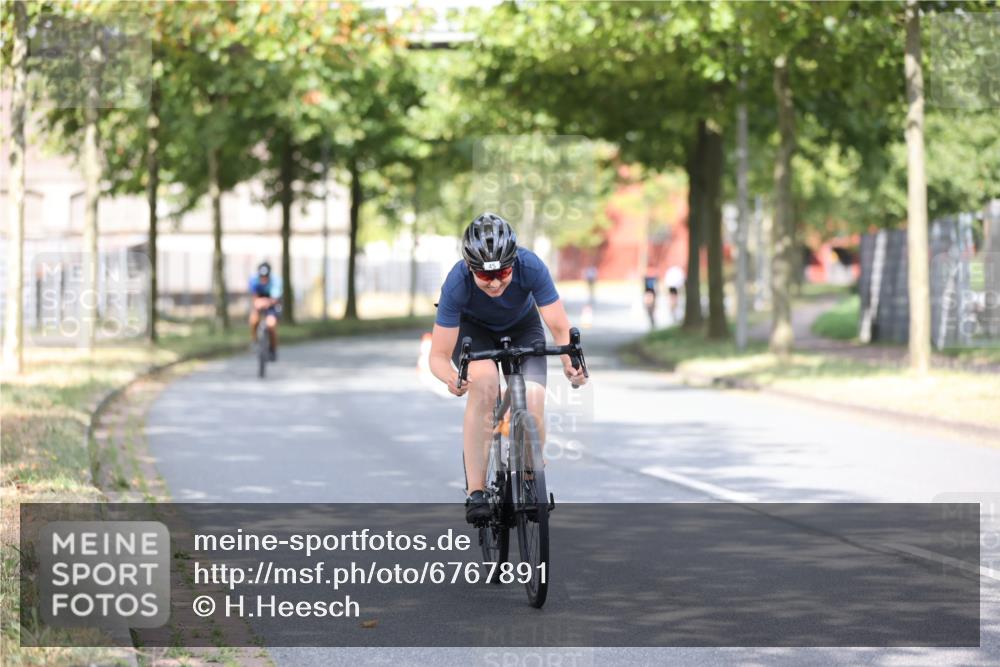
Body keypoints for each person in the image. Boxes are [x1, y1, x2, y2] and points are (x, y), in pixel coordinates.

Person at [427, 213, 587, 524]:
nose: (497, 282)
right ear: (471, 269)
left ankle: (530, 475)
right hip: (474, 333)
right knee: (485, 384)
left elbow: (558, 326)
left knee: (533, 398)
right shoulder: (456, 283)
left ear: (514, 263)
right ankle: (476, 492)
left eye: (503, 272)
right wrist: (452, 378)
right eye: (486, 277)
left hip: (524, 328)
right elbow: (438, 355)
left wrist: (571, 363)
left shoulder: (531, 266)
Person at [248, 261, 282, 361]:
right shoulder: (254, 280)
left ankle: (273, 349)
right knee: (253, 320)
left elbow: (275, 299)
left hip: (272, 305)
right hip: (259, 304)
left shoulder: (276, 281)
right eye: (261, 276)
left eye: (265, 276)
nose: (263, 278)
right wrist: (258, 302)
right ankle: (254, 341)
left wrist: (266, 302)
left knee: (271, 324)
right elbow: (254, 297)